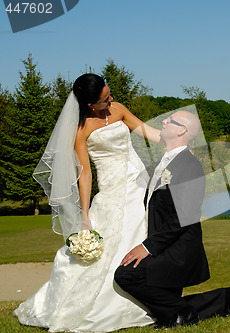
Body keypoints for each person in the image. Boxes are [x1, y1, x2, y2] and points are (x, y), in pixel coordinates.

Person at [14, 73, 161, 332]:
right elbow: (85, 173)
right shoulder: (81, 129)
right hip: (112, 191)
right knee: (107, 249)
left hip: (139, 184)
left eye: (110, 93)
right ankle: (105, 306)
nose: (111, 99)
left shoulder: (119, 110)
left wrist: (178, 138)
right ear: (90, 104)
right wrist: (84, 214)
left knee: (144, 236)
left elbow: (147, 132)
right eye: (105, 99)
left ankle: (152, 299)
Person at [114, 110, 230, 329]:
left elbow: (186, 216)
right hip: (164, 242)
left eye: (170, 120)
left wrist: (147, 247)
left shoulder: (189, 166)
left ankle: (182, 312)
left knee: (126, 275)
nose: (163, 121)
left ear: (182, 130)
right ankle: (224, 299)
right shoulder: (166, 161)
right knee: (167, 299)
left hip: (178, 248)